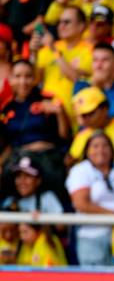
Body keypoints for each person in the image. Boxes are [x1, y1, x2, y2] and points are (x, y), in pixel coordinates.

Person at [66, 132, 114, 266]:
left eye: (105, 146)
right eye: (95, 146)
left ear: (112, 149)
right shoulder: (80, 170)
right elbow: (81, 203)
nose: (100, 150)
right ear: (87, 151)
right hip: (92, 237)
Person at [0, 60, 70, 199]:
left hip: (48, 157)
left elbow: (65, 136)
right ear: (11, 80)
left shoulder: (48, 99)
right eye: (18, 76)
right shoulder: (7, 108)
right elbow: (8, 144)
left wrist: (60, 113)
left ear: (34, 79)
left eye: (28, 76)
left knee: (56, 192)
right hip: (19, 159)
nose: (23, 81)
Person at [29, 5, 92, 118]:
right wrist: (33, 53)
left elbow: (76, 78)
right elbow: (34, 80)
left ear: (81, 26)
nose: (61, 26)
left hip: (76, 115)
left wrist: (53, 49)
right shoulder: (47, 49)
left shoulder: (90, 50)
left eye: (66, 22)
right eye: (59, 22)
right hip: (47, 114)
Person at [69, 86, 114, 166]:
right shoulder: (81, 137)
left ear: (105, 108)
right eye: (83, 115)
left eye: (90, 113)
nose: (86, 119)